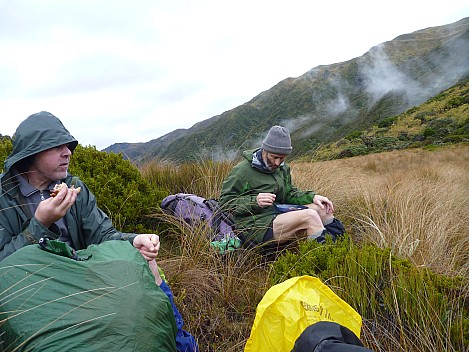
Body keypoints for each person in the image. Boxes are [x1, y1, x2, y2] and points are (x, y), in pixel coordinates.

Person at [0, 111, 198, 351]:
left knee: (146, 262)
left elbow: (103, 236)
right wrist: (40, 224)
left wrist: (133, 240)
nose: (68, 152)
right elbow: (4, 267)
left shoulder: (74, 187)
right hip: (34, 294)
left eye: (68, 146)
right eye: (56, 147)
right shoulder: (4, 198)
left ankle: (179, 342)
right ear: (31, 153)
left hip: (80, 277)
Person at [219, 125, 345, 247]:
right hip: (254, 226)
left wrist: (312, 197)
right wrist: (255, 201)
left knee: (322, 209)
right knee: (310, 216)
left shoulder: (282, 168)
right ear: (265, 150)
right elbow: (225, 203)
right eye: (274, 157)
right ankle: (324, 260)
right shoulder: (242, 171)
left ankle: (343, 248)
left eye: (282, 158)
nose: (277, 163)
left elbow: (289, 194)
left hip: (278, 213)